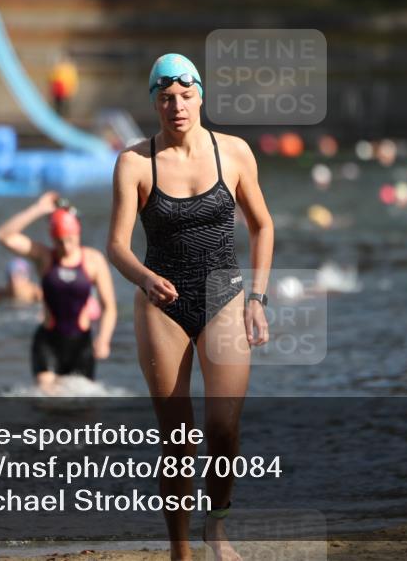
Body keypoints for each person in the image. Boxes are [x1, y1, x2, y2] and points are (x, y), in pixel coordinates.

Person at [106, 53, 274, 561]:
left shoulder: (236, 153)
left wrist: (258, 299)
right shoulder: (135, 163)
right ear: (155, 103)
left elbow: (262, 226)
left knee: (223, 429)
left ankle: (216, 530)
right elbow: (115, 245)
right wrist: (144, 277)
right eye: (165, 98)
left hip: (225, 297)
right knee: (177, 439)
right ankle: (181, 550)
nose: (176, 106)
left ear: (200, 96)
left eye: (184, 96)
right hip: (162, 304)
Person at [0, 192, 117, 393]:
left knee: (81, 405)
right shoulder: (44, 257)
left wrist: (104, 339)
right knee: (47, 397)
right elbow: (3, 235)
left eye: (71, 239)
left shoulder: (93, 260)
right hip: (48, 341)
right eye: (60, 241)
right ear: (53, 237)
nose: (66, 246)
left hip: (81, 344)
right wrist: (39, 209)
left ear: (78, 233)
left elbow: (109, 306)